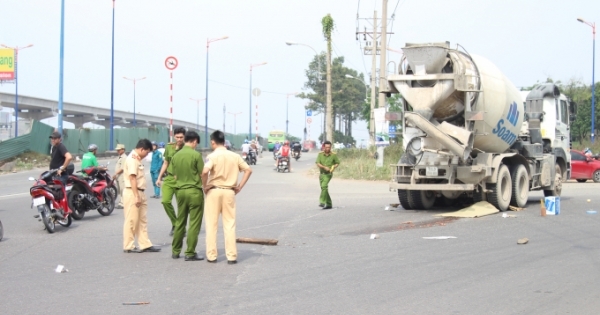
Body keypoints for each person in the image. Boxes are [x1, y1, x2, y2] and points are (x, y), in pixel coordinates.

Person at [202, 130, 252, 264]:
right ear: (224, 142)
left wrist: (205, 186)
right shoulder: (234, 156)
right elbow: (248, 170)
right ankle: (231, 256)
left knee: (211, 224)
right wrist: (239, 186)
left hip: (214, 191)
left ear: (213, 142)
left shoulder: (212, 156)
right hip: (229, 191)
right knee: (229, 224)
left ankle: (212, 256)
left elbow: (205, 171)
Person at [170, 131, 205, 261]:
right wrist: (205, 187)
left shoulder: (176, 155)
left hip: (180, 192)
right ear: (194, 141)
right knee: (194, 223)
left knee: (180, 222)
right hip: (194, 191)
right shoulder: (196, 155)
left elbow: (174, 175)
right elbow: (203, 174)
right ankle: (190, 252)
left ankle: (175, 251)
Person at [122, 139, 161, 253]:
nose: (147, 155)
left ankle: (145, 244)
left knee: (142, 220)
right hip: (133, 192)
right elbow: (132, 178)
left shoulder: (137, 159)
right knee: (131, 220)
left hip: (140, 191)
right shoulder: (132, 159)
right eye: (147, 152)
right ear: (141, 149)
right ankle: (128, 245)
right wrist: (136, 196)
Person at [157, 127, 186, 236]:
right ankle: (176, 224)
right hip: (169, 178)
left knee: (181, 206)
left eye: (181, 137)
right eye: (177, 137)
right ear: (174, 137)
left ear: (184, 137)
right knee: (165, 201)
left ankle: (181, 227)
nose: (179, 139)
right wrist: (159, 177)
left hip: (182, 180)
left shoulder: (187, 148)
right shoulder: (169, 147)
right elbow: (166, 162)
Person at [315, 141, 340, 210]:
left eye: (329, 147)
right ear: (324, 147)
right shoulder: (320, 154)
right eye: (326, 147)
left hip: (328, 174)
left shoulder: (333, 155)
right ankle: (329, 204)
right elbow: (317, 163)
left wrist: (334, 167)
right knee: (324, 189)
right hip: (322, 174)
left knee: (324, 186)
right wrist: (323, 167)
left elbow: (337, 162)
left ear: (330, 147)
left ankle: (322, 202)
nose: (327, 149)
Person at [113, 144, 127, 209]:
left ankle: (123, 203)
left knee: (122, 189)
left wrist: (115, 174)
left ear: (123, 150)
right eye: (117, 150)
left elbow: (122, 168)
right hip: (119, 176)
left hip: (122, 176)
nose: (118, 151)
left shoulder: (124, 157)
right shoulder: (120, 157)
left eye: (119, 150)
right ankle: (121, 202)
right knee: (119, 190)